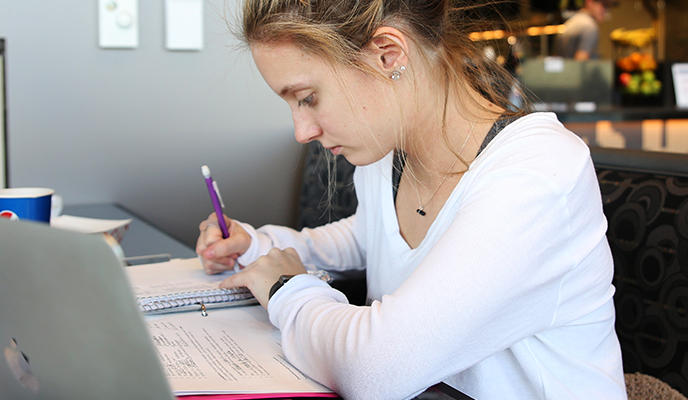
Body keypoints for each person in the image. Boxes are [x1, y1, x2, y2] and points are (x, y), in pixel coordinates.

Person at [196, 0, 626, 398]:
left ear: (388, 55)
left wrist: (286, 289)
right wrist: (257, 247)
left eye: (308, 98)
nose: (301, 131)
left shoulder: (537, 174)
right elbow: (369, 237)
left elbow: (376, 367)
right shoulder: (388, 154)